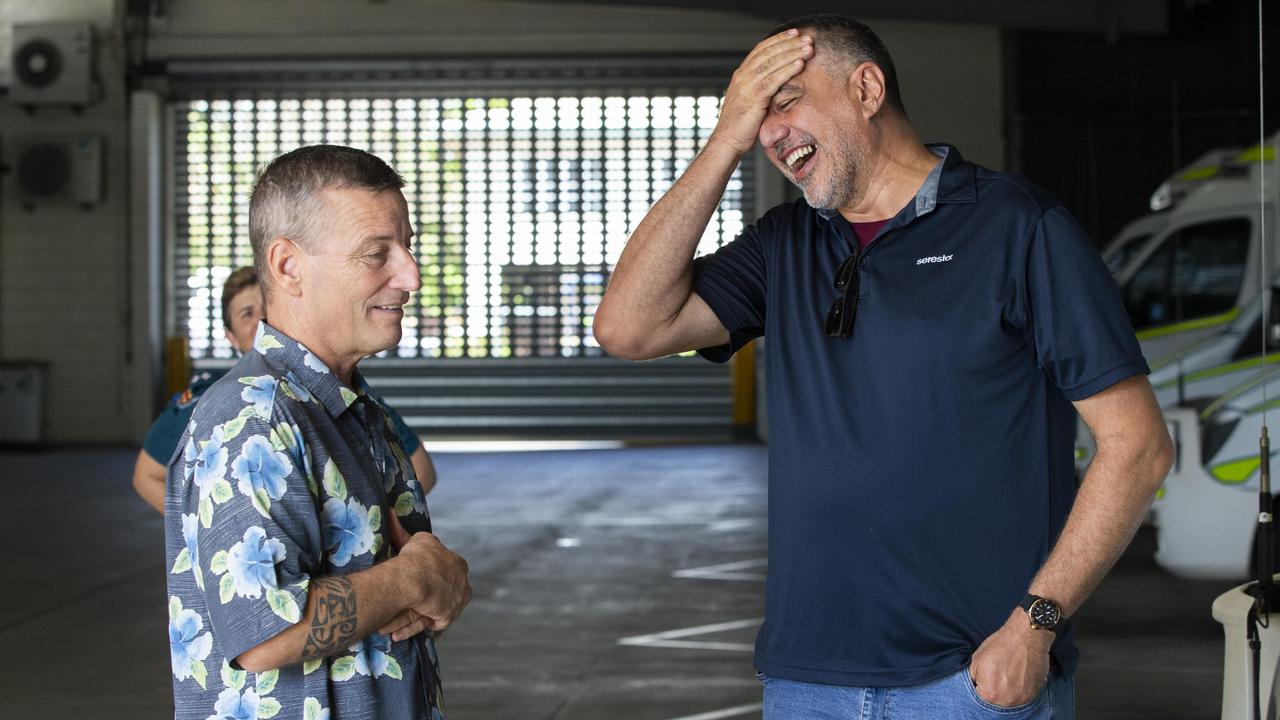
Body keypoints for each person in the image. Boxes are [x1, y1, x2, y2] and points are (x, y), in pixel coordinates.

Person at [593, 14, 1172, 719]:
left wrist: (1035, 626)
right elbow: (627, 328)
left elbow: (1137, 445)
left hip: (971, 681)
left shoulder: (1019, 228)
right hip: (807, 683)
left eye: (783, 101)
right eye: (750, 113)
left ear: (866, 88)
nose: (768, 132)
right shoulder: (785, 245)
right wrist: (724, 140)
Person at [165, 145, 469, 720]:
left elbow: (410, 607)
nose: (411, 275)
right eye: (377, 253)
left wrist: (434, 586)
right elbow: (265, 634)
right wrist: (412, 581)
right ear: (288, 266)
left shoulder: (358, 410)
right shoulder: (252, 420)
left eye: (408, 247)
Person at [132, 267, 437, 513]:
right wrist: (207, 527)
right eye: (246, 314)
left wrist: (363, 526)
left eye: (266, 307)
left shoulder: (343, 391)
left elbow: (421, 470)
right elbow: (147, 476)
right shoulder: (206, 400)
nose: (260, 319)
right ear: (231, 337)